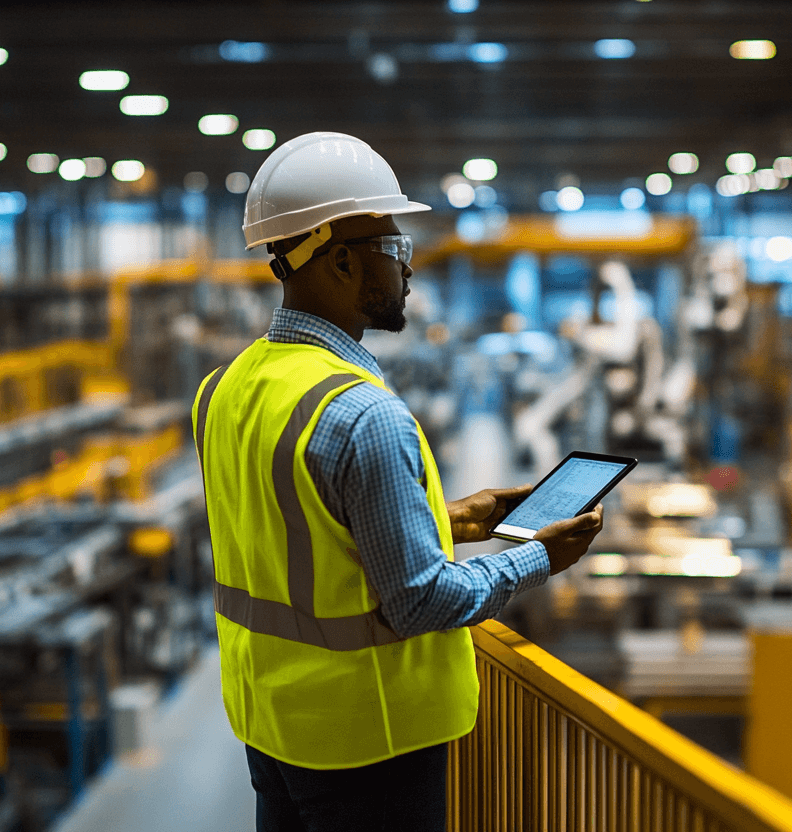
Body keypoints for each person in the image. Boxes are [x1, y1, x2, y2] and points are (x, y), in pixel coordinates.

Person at [192, 132, 605, 832]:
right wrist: (543, 555)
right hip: (369, 739)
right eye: (395, 250)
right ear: (343, 261)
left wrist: (452, 519)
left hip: (271, 724)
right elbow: (418, 602)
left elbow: (299, 527)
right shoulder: (364, 415)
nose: (408, 271)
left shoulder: (223, 388)